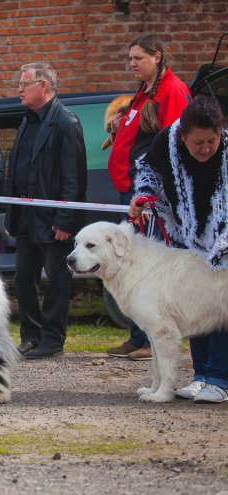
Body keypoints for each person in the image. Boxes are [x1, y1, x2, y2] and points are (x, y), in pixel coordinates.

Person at [129, 95, 228, 403]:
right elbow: (147, 171)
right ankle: (201, 375)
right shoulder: (166, 141)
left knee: (220, 306)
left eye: (212, 140)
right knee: (190, 305)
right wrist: (143, 195)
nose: (206, 148)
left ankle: (220, 379)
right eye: (198, 142)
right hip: (184, 233)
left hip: (224, 237)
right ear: (183, 135)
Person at [106, 33, 191, 361]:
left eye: (138, 58)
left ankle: (150, 338)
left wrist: (154, 193)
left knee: (148, 267)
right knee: (135, 265)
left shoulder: (172, 90)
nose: (132, 64)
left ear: (157, 57)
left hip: (149, 196)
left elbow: (174, 142)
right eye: (130, 59)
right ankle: (138, 334)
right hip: (132, 191)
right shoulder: (145, 91)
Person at [3, 62, 87, 360]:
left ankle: (52, 339)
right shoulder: (28, 120)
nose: (19, 89)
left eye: (25, 83)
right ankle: (30, 335)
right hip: (26, 215)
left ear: (44, 86)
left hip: (52, 219)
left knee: (56, 280)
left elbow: (73, 176)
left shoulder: (65, 122)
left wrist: (65, 219)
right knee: (24, 278)